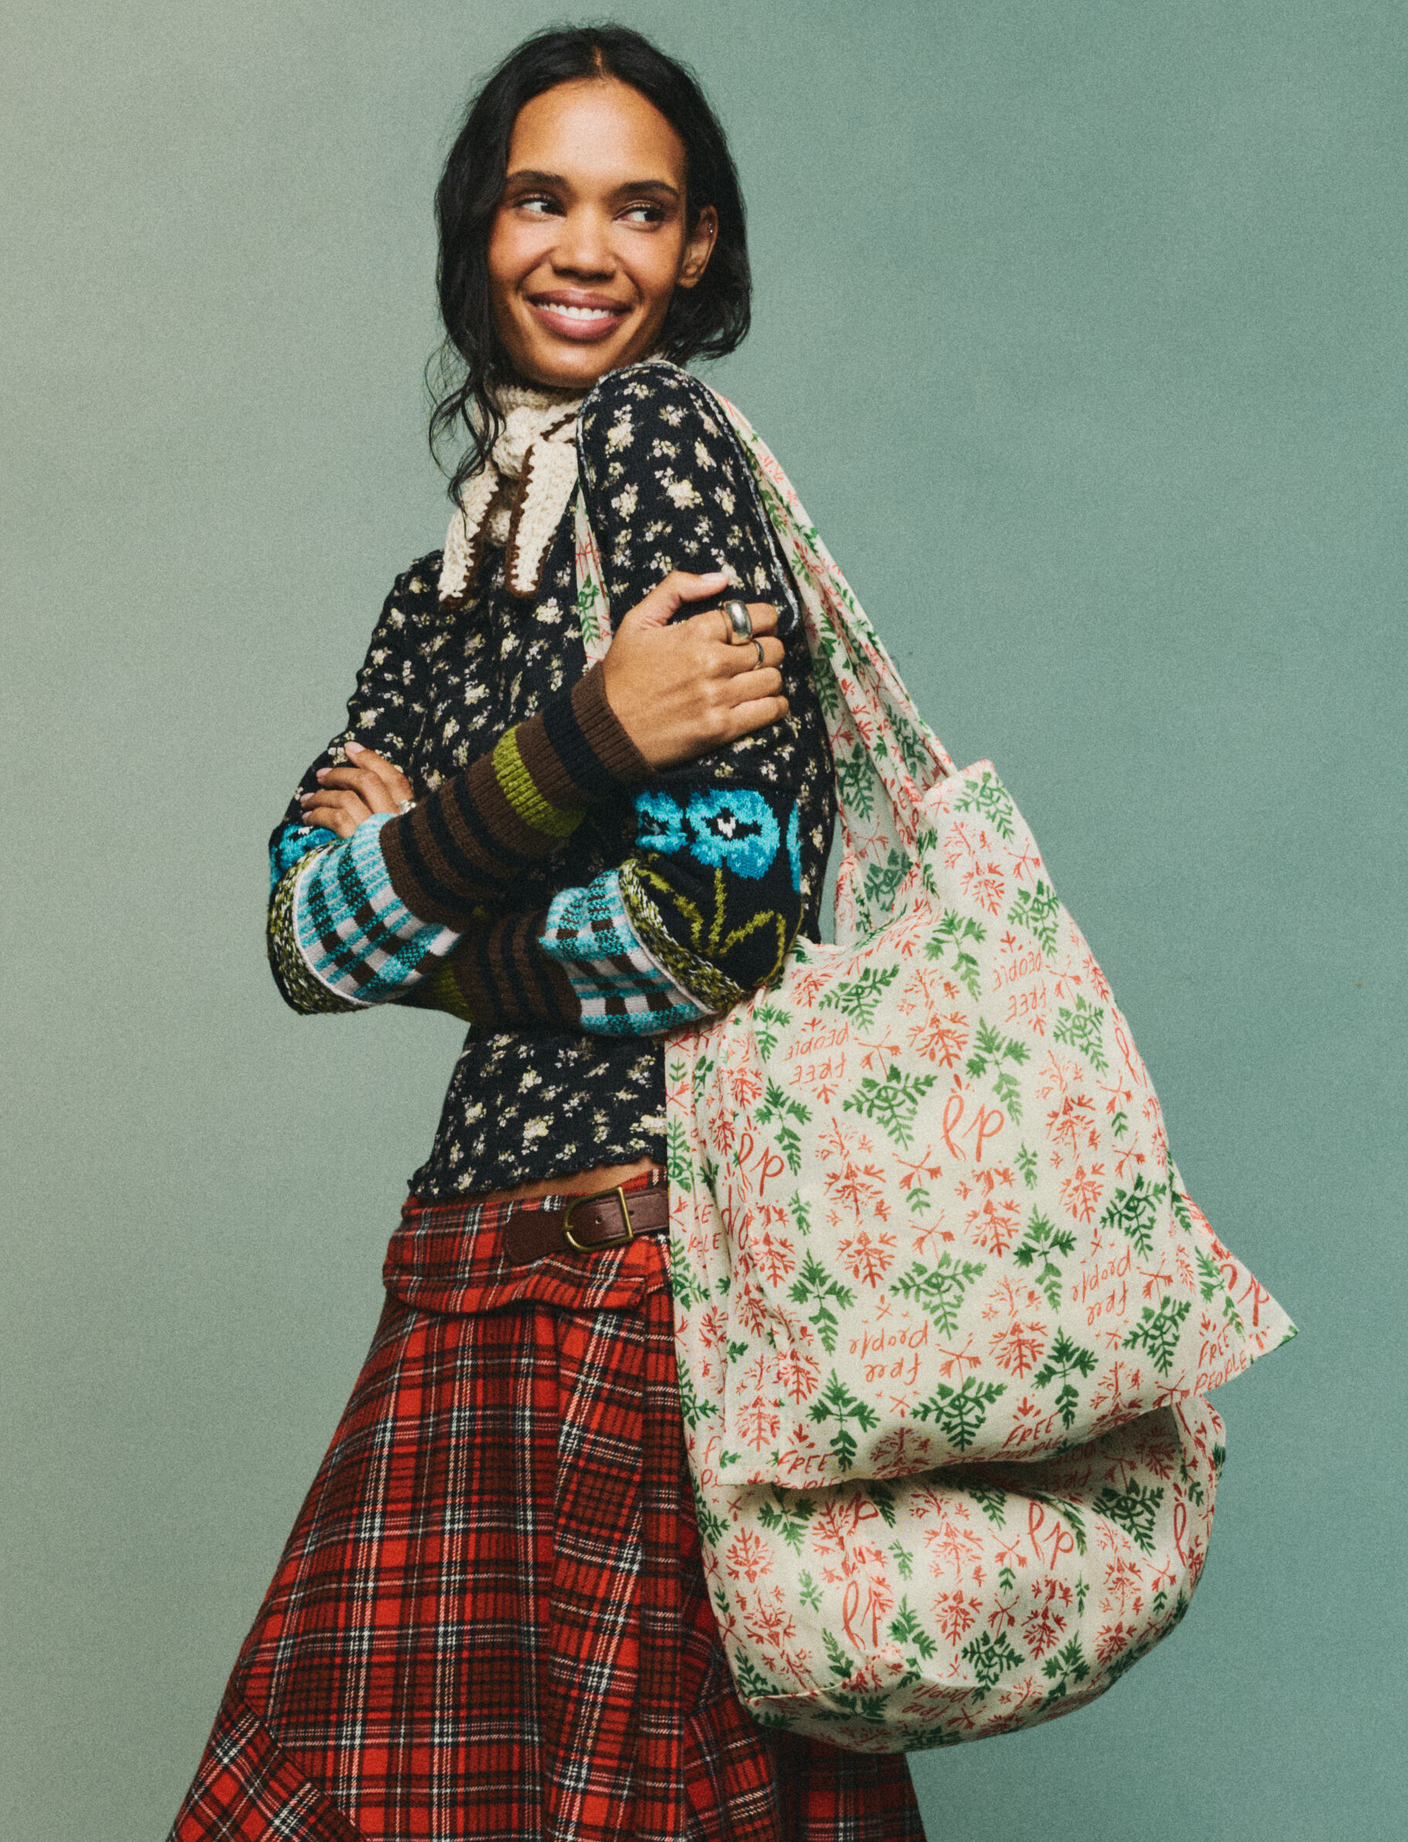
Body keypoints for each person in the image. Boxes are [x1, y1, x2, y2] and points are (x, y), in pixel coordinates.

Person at [169, 25, 925, 1842]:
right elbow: (296, 934)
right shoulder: (448, 580)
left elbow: (716, 927)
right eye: (543, 196)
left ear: (699, 250)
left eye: (638, 208)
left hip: (631, 1279)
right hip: (479, 1270)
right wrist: (583, 741)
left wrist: (421, 877)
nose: (585, 249)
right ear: (477, 226)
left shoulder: (661, 439)